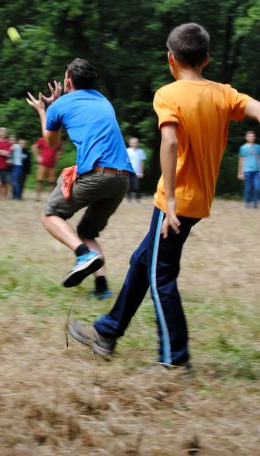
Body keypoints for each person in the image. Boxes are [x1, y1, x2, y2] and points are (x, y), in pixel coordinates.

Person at [67, 23, 260, 369]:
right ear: (207, 59)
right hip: (198, 201)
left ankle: (174, 362)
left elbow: (169, 142)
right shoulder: (225, 93)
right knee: (143, 262)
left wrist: (170, 201)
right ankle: (108, 332)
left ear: (171, 58)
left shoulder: (168, 94)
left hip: (176, 203)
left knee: (160, 277)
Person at [27, 58, 134, 297]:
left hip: (97, 175)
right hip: (122, 178)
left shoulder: (60, 106)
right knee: (87, 232)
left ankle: (83, 255)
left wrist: (43, 111)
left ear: (67, 82)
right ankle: (102, 288)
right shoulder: (103, 100)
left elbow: (51, 142)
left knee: (50, 215)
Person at [32, 136, 62, 201]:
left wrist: (57, 159)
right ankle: (37, 197)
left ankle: (51, 198)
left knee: (51, 182)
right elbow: (34, 147)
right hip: (42, 165)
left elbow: (60, 151)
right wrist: (37, 157)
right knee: (40, 181)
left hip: (52, 165)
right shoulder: (42, 139)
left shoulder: (57, 141)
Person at [237, 130, 260, 208]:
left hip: (256, 171)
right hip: (247, 171)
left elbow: (259, 159)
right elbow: (241, 161)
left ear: (254, 137)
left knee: (257, 187)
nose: (251, 137)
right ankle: (247, 202)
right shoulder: (242, 148)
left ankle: (255, 203)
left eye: (252, 136)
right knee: (248, 187)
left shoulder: (258, 147)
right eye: (249, 136)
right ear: (246, 137)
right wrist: (240, 173)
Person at [126, 137, 146, 201]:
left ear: (138, 143)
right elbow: (126, 161)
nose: (134, 144)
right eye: (133, 143)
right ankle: (128, 197)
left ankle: (138, 197)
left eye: (136, 143)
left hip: (137, 172)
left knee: (136, 186)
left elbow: (142, 162)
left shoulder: (141, 151)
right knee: (128, 186)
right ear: (130, 143)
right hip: (129, 171)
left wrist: (141, 172)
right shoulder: (127, 151)